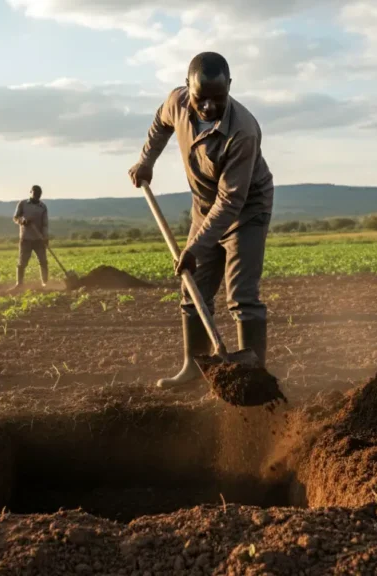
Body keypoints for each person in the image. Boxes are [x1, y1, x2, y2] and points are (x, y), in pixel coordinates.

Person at [128, 51, 274, 389]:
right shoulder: (176, 102)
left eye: (217, 99)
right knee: (192, 287)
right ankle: (193, 367)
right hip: (205, 206)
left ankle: (253, 379)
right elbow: (160, 122)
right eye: (200, 98)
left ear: (230, 88)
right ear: (186, 88)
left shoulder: (244, 132)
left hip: (246, 210)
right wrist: (146, 160)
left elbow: (231, 200)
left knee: (241, 295)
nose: (208, 107)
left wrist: (195, 245)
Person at [12, 185, 49, 289]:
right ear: (31, 192)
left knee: (43, 261)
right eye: (35, 193)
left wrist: (45, 238)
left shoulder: (43, 207)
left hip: (39, 239)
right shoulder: (23, 204)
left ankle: (45, 283)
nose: (37, 195)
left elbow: (45, 224)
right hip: (26, 238)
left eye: (39, 194)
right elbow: (15, 218)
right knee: (22, 262)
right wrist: (22, 221)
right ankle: (19, 283)